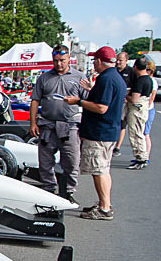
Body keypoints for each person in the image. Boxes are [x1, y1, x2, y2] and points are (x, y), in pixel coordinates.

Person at [66, 46, 126, 220]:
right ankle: (104, 203)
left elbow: (101, 107)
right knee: (104, 170)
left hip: (100, 133)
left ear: (100, 61)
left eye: (94, 60)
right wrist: (92, 90)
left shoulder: (106, 79)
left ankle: (104, 208)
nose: (94, 63)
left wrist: (79, 101)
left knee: (98, 170)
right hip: (109, 131)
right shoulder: (116, 78)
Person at [28, 44, 86, 201]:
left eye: (62, 60)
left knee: (71, 162)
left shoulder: (79, 77)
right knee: (45, 162)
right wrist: (33, 123)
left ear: (69, 59)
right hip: (47, 125)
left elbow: (89, 102)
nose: (59, 64)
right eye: (55, 60)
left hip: (70, 126)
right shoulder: (44, 78)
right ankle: (49, 191)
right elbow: (35, 101)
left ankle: (69, 191)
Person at [125, 57, 153, 170]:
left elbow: (134, 99)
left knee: (136, 134)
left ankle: (141, 158)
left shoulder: (140, 81)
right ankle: (141, 156)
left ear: (135, 67)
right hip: (144, 108)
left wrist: (126, 95)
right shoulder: (149, 80)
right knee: (140, 132)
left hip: (137, 110)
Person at [113, 52, 133, 156]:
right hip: (113, 101)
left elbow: (135, 86)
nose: (118, 62)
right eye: (117, 60)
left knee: (122, 124)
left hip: (124, 102)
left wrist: (128, 96)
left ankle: (117, 147)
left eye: (120, 60)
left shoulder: (130, 72)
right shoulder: (113, 70)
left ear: (126, 60)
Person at [143, 59, 157, 163]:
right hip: (145, 109)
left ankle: (146, 156)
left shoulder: (152, 81)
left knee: (145, 133)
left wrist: (145, 109)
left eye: (147, 69)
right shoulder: (145, 79)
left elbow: (151, 97)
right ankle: (142, 154)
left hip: (148, 109)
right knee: (141, 133)